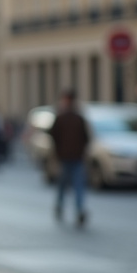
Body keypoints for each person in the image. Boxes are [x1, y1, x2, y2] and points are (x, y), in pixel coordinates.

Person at [48, 88, 90, 227]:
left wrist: (57, 153)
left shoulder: (63, 117)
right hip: (72, 157)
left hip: (68, 157)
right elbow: (86, 138)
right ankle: (75, 209)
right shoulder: (76, 117)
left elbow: (53, 136)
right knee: (74, 185)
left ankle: (68, 208)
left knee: (67, 185)